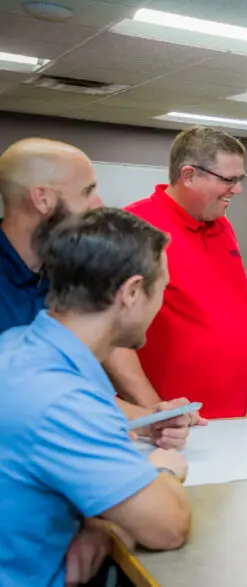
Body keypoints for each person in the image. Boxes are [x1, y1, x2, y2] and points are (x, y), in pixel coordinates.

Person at [0, 208, 192, 587]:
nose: (160, 306)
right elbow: (167, 527)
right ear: (132, 292)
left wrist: (96, 521)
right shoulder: (63, 400)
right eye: (162, 290)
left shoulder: (16, 348)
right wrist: (166, 470)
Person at [0, 138, 195, 450]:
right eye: (87, 191)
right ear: (42, 199)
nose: (98, 204)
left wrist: (146, 419)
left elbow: (78, 386)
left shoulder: (70, 266)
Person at [107, 126, 247, 419]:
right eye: (229, 179)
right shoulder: (136, 227)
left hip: (230, 417)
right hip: (169, 423)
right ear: (188, 175)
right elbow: (109, 334)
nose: (237, 189)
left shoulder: (222, 226)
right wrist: (155, 412)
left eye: (240, 179)